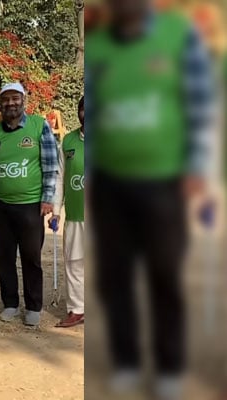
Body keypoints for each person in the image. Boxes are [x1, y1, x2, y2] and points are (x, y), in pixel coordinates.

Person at [86, 1, 214, 397]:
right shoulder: (98, 46)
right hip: (110, 185)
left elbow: (200, 104)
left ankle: (170, 367)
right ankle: (126, 361)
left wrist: (196, 165)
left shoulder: (178, 35)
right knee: (114, 277)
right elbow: (92, 111)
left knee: (164, 275)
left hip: (164, 182)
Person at [0, 82, 59, 327]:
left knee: (31, 257)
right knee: (2, 258)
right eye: (6, 99)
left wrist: (48, 198)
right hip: (1, 206)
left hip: (32, 205)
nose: (11, 103)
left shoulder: (38, 126)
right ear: (0, 103)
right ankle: (10, 303)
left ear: (23, 100)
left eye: (15, 99)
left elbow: (50, 165)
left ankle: (33, 305)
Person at [50, 96, 85, 328]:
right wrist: (55, 210)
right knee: (74, 263)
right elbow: (60, 177)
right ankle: (77, 309)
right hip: (75, 215)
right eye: (84, 109)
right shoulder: (69, 141)